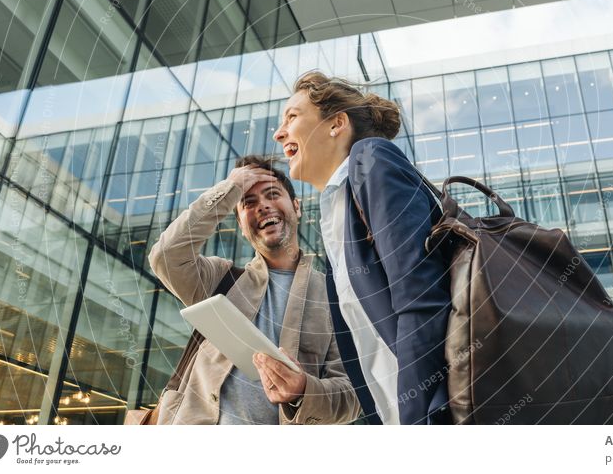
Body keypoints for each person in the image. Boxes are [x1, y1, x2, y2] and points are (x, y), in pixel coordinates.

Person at [273, 71, 452, 425]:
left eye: (291, 117)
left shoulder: (372, 159)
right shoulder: (337, 210)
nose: (279, 133)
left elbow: (421, 301)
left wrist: (418, 423)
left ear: (336, 123)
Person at [148, 155, 361, 425]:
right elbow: (166, 256)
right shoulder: (220, 279)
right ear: (242, 227)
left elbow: (352, 396)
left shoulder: (334, 296)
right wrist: (230, 189)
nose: (263, 206)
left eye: (273, 195)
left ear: (296, 207)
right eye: (249, 202)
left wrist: (303, 390)